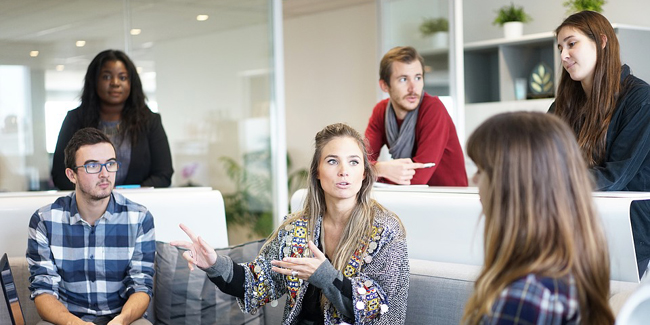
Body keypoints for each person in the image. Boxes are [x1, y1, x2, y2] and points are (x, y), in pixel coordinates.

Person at [171, 123, 409, 324]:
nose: (344, 171)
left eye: (354, 162)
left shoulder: (386, 230)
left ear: (364, 173)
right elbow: (259, 282)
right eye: (333, 161)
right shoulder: (296, 227)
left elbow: (378, 307)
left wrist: (325, 276)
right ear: (317, 171)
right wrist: (214, 264)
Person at [462, 112, 614, 324]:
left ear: (511, 184)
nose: (474, 180)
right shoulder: (567, 274)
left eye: (481, 170)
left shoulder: (525, 297)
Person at [551, 11, 650, 277]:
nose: (563, 55)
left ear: (602, 42)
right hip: (574, 224)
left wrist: (548, 181)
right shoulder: (562, 106)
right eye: (560, 47)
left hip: (628, 232)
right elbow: (541, 159)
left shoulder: (640, 99)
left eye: (572, 44)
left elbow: (615, 176)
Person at [27, 128, 155, 325]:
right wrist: (74, 323)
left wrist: (121, 320)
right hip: (68, 320)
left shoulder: (139, 218)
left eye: (110, 164)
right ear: (71, 175)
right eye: (92, 166)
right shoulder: (44, 220)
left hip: (123, 319)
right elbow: (43, 291)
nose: (105, 174)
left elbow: (141, 286)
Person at [51, 49, 173, 190]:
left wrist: (127, 196)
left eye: (122, 77)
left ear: (131, 83)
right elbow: (60, 175)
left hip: (137, 205)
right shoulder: (75, 120)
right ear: (94, 81)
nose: (115, 83)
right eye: (107, 77)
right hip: (88, 207)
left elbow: (163, 175)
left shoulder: (150, 121)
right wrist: (96, 194)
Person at [364, 46, 467, 186]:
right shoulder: (381, 111)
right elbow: (359, 163)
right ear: (384, 86)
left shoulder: (433, 109)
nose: (413, 88)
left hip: (448, 200)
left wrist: (374, 171)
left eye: (418, 78)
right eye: (403, 79)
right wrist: (380, 168)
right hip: (411, 198)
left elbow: (418, 178)